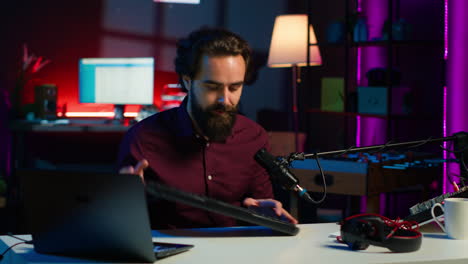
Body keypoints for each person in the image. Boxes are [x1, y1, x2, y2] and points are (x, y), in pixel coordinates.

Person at [117, 27, 297, 229]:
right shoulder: (142, 138)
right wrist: (127, 200)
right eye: (212, 87)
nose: (225, 100)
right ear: (187, 81)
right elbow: (123, 223)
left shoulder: (254, 137)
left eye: (235, 87)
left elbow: (259, 204)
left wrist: (262, 213)